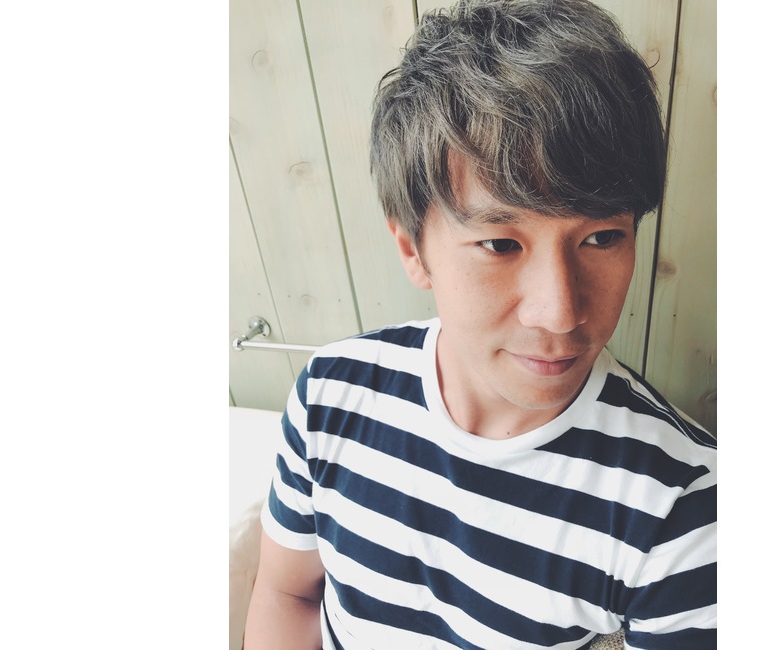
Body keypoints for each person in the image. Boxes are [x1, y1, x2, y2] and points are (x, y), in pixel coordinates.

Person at [244, 0, 717, 647]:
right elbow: (287, 592)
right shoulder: (331, 394)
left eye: (602, 237)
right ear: (413, 250)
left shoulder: (684, 506)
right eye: (500, 244)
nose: (561, 312)